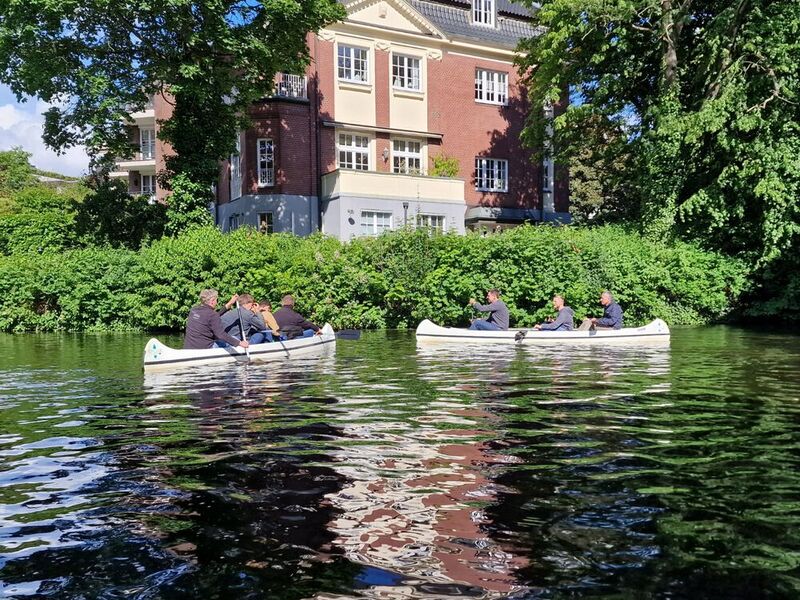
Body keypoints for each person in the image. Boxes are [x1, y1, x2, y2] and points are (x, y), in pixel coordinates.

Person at [184, 289, 250, 350]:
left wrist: (229, 304)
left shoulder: (194, 310)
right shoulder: (212, 315)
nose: (217, 302)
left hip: (189, 347)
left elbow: (211, 317)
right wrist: (239, 343)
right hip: (205, 348)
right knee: (235, 338)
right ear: (212, 301)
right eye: (216, 300)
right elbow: (221, 335)